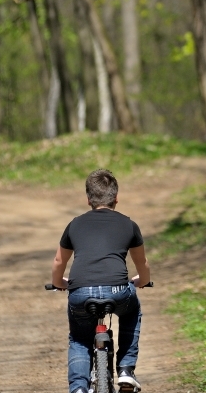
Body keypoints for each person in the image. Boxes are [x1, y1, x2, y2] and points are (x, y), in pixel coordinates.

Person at [51, 168, 151, 393]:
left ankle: (78, 388)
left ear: (88, 199)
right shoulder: (129, 225)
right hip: (118, 291)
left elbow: (59, 261)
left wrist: (59, 282)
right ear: (116, 198)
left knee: (79, 338)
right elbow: (141, 263)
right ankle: (125, 370)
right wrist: (142, 281)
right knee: (131, 311)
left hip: (80, 293)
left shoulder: (74, 224)